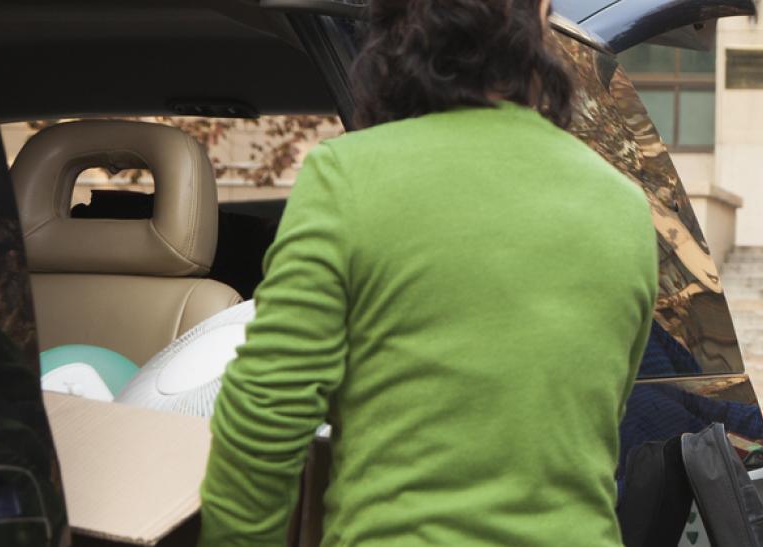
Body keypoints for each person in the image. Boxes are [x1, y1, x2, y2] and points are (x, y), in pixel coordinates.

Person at [198, 1, 660, 544]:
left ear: (396, 27)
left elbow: (264, 419)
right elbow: (601, 417)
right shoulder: (626, 209)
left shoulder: (348, 179)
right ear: (536, 20)